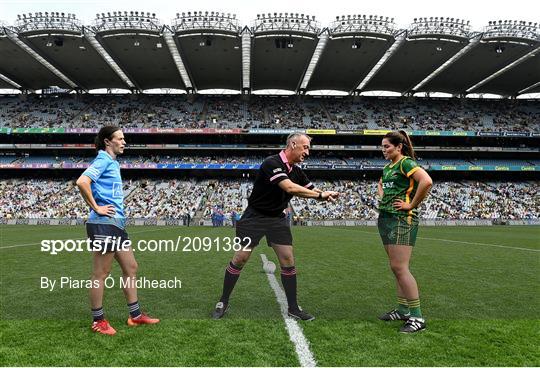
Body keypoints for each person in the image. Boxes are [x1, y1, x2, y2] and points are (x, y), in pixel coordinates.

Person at [212, 133, 339, 321]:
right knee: (240, 258)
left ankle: (294, 308)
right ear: (293, 144)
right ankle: (223, 301)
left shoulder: (296, 170)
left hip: (277, 219)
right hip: (254, 217)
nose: (308, 152)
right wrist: (320, 196)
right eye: (305, 147)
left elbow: (312, 190)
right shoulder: (272, 163)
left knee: (288, 259)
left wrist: (326, 194)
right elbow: (290, 188)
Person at [76, 126, 159, 336]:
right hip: (104, 223)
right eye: (120, 139)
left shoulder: (112, 162)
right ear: (107, 141)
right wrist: (96, 207)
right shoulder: (103, 159)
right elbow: (82, 181)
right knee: (100, 273)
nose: (124, 142)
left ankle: (135, 315)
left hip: (116, 224)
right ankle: (98, 320)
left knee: (131, 267)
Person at [376, 130, 433, 333]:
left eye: (387, 146)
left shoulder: (405, 163)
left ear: (398, 147)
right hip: (386, 218)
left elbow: (426, 181)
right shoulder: (388, 168)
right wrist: (382, 196)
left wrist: (411, 205)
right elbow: (382, 185)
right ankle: (402, 310)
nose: (383, 150)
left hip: (402, 219)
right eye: (382, 146)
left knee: (401, 267)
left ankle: (417, 317)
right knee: (395, 267)